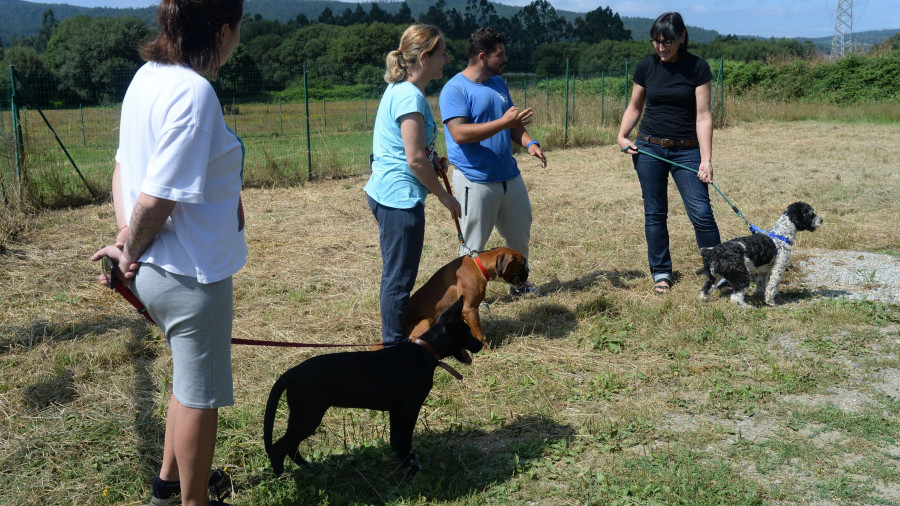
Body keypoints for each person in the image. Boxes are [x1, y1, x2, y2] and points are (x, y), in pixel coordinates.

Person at [90, 0, 245, 504]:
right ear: (223, 31)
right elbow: (156, 198)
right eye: (237, 30)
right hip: (190, 275)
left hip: (157, 271)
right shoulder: (195, 93)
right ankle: (194, 501)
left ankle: (168, 485)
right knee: (200, 396)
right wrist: (128, 246)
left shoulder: (147, 76)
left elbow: (123, 167)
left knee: (186, 379)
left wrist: (124, 244)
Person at [365, 24, 461, 348]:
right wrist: (445, 196)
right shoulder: (409, 96)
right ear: (424, 57)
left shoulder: (402, 90)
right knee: (398, 279)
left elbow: (414, 152)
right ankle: (392, 347)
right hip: (399, 201)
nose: (447, 58)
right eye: (442, 53)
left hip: (389, 194)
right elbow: (413, 160)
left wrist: (432, 160)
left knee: (396, 275)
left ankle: (394, 338)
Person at [617, 12, 723, 295]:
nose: (661, 48)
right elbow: (635, 107)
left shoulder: (698, 67)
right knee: (655, 212)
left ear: (682, 37)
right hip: (649, 148)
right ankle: (661, 272)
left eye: (667, 42)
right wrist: (621, 135)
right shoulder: (646, 67)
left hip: (687, 151)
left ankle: (720, 271)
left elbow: (703, 116)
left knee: (701, 212)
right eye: (656, 41)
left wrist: (706, 159)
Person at [438, 27, 546, 297]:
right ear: (483, 56)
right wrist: (504, 123)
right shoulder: (455, 89)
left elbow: (512, 125)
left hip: (509, 177)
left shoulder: (498, 83)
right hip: (474, 181)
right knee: (473, 246)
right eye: (501, 54)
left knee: (520, 238)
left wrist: (530, 143)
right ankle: (471, 296)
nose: (506, 59)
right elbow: (459, 134)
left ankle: (520, 285)